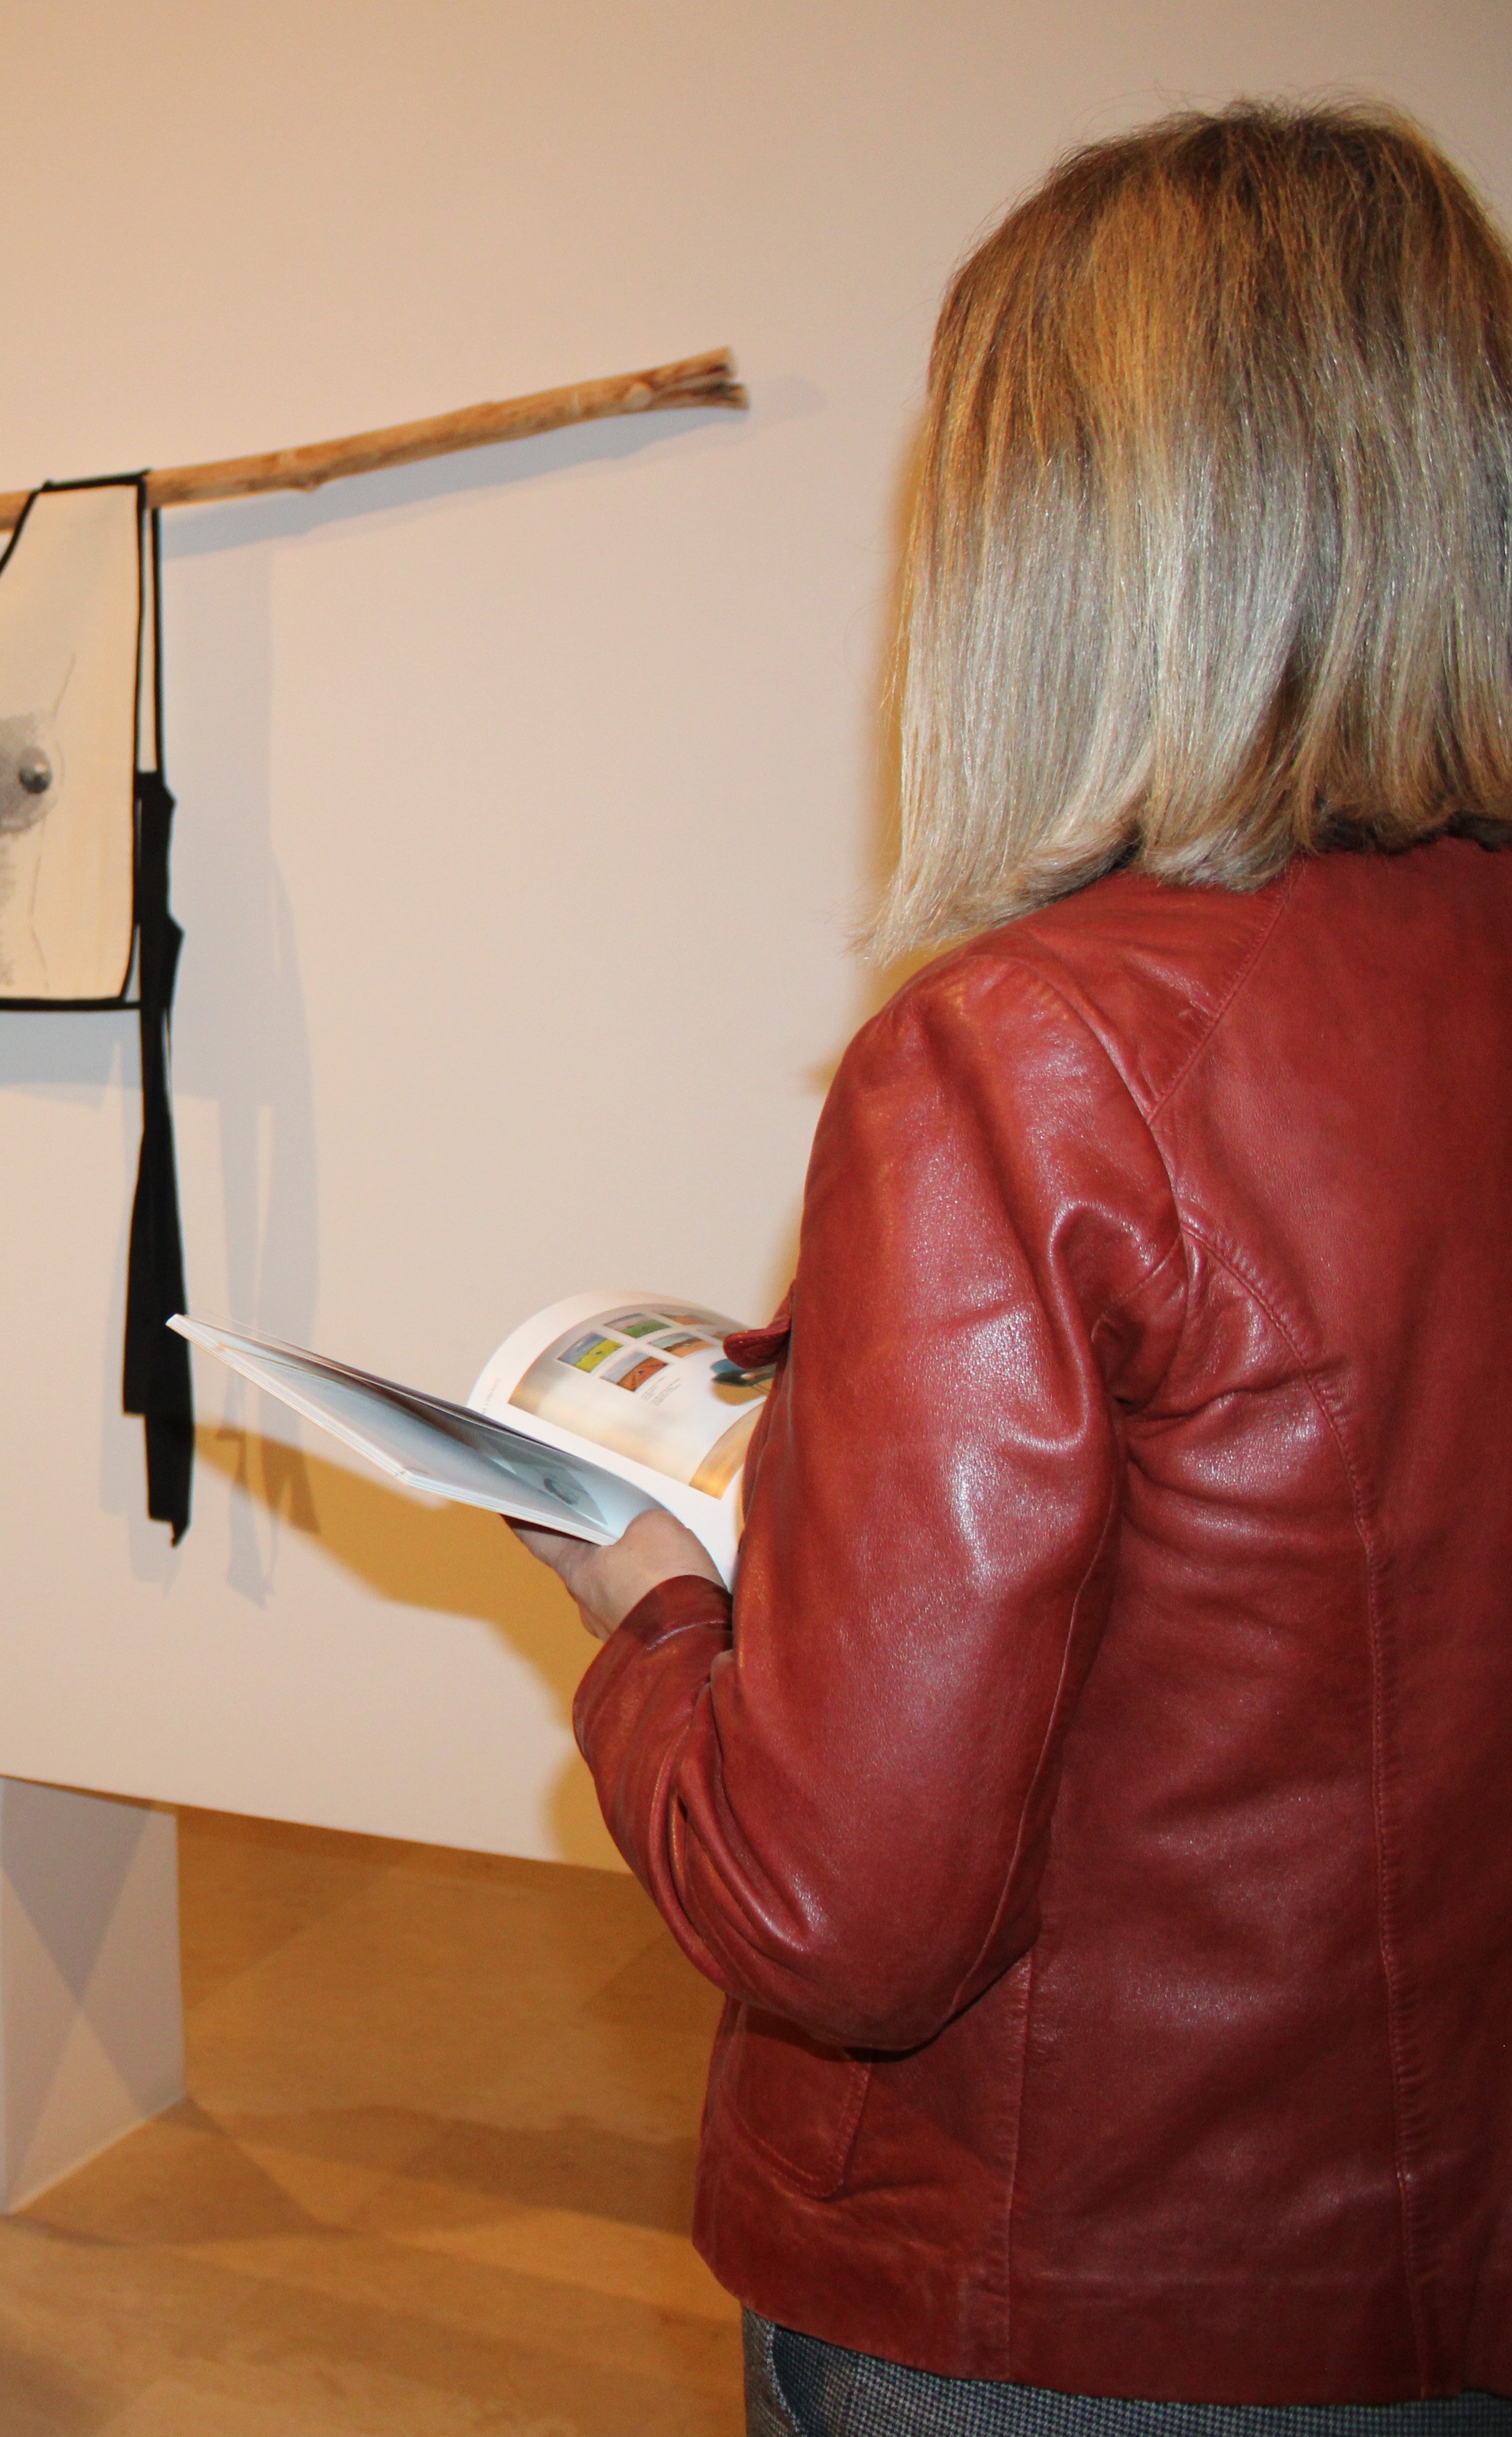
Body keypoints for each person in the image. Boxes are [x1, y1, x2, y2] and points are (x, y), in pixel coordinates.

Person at [509, 105, 1512, 2426]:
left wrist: (644, 1608)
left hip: (1066, 2297)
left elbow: (828, 1915)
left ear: (1051, 538)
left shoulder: (1029, 1053)